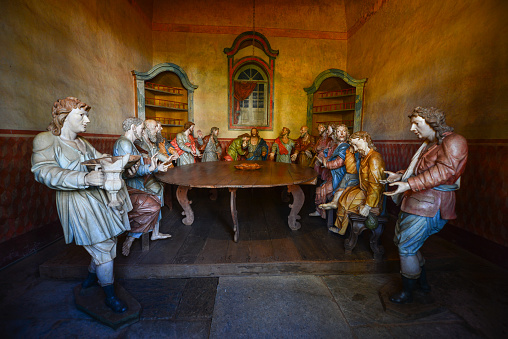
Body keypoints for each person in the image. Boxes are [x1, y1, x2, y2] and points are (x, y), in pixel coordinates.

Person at [32, 97, 132, 313]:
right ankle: (110, 295)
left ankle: (90, 277)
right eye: (82, 115)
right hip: (76, 201)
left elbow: (100, 159)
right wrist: (83, 179)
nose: (87, 120)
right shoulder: (46, 140)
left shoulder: (82, 142)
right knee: (103, 245)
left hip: (99, 197)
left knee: (108, 241)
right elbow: (43, 171)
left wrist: (124, 164)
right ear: (64, 118)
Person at [384, 107, 468, 304]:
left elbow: (444, 172)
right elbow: (423, 170)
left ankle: (408, 293)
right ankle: (422, 283)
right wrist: (401, 175)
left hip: (430, 204)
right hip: (416, 201)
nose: (412, 128)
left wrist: (408, 183)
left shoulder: (454, 141)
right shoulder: (431, 144)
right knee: (406, 245)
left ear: (432, 123)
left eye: (417, 123)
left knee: (407, 248)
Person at [113, 117, 173, 256]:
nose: (142, 131)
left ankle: (142, 235)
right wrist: (152, 168)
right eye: (141, 128)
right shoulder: (125, 144)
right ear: (133, 127)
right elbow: (130, 173)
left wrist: (154, 167)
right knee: (153, 203)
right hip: (130, 186)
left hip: (136, 183)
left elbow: (135, 169)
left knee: (157, 194)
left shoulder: (129, 143)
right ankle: (130, 238)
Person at [330, 131, 385, 235]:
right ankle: (340, 228)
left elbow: (375, 186)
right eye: (353, 145)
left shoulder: (374, 158)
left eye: (356, 144)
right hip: (364, 191)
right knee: (342, 199)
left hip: (372, 197)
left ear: (364, 139)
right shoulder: (364, 156)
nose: (355, 148)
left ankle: (342, 230)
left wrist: (368, 206)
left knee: (347, 204)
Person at [309, 124, 356, 218]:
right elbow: (330, 155)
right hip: (335, 175)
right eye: (339, 132)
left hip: (341, 177)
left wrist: (326, 163)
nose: (342, 134)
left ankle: (323, 212)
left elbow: (338, 162)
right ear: (336, 134)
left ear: (347, 133)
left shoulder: (345, 146)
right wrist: (324, 159)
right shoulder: (337, 146)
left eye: (344, 131)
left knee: (321, 189)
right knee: (320, 189)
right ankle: (320, 211)